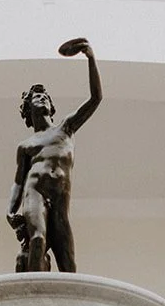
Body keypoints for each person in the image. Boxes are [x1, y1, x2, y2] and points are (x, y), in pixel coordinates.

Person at [7, 38, 101, 273]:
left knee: (68, 262)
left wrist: (90, 58)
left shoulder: (65, 128)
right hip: (35, 193)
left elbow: (95, 98)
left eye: (45, 97)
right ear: (28, 110)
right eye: (35, 98)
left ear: (51, 106)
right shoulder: (26, 145)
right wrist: (10, 211)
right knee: (37, 240)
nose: (41, 99)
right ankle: (32, 292)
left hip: (60, 198)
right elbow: (18, 183)